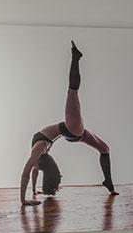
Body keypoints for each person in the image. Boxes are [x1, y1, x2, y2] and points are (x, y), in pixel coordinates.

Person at [19, 41, 117, 205]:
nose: (36, 166)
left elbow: (32, 171)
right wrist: (24, 200)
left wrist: (32, 192)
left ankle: (108, 183)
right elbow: (28, 172)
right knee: (72, 91)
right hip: (71, 130)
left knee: (105, 149)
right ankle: (75, 57)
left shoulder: (38, 155)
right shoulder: (38, 152)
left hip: (72, 132)